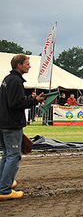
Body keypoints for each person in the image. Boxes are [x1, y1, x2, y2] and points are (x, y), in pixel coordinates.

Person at [0, 54, 45, 200]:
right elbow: (15, 104)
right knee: (13, 156)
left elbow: (12, 101)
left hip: (4, 123)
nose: (29, 66)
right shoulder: (15, 81)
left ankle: (3, 182)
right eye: (27, 64)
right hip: (11, 124)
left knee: (6, 155)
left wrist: (30, 99)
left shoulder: (7, 79)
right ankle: (4, 190)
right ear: (19, 65)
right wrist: (34, 101)